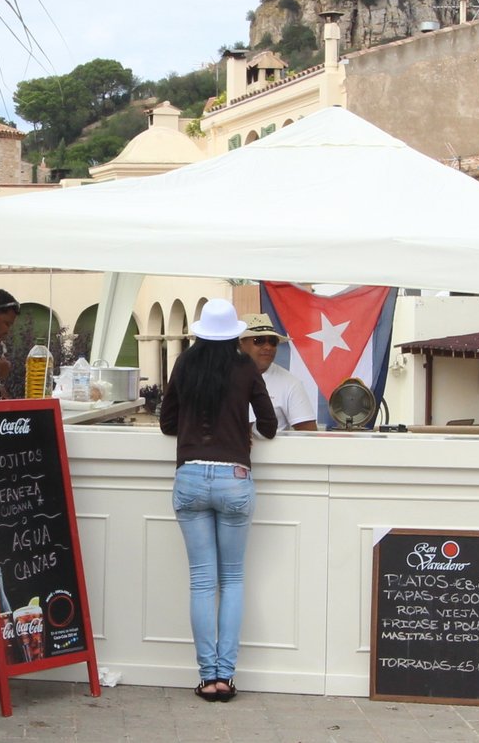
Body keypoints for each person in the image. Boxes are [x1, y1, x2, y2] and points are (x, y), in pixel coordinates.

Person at [159, 299, 277, 704]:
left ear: (199, 331)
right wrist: (239, 424)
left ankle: (206, 676)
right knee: (232, 581)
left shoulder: (184, 365)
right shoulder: (245, 367)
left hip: (190, 477)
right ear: (235, 335)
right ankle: (225, 677)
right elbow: (270, 426)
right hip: (233, 479)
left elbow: (167, 422)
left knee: (202, 582)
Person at [238, 313, 318, 432]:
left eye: (272, 341)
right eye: (259, 340)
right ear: (241, 344)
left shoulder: (290, 383)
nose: (268, 347)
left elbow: (309, 435)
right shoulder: (221, 377)